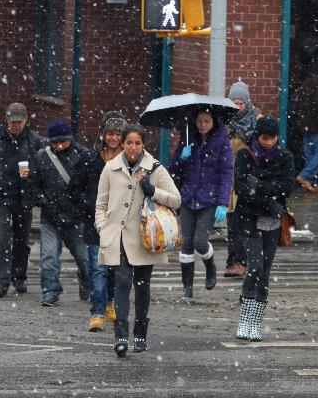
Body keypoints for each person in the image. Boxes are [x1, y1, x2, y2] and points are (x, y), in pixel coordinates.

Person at [96, 124, 181, 357]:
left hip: (145, 237)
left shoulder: (154, 168)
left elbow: (176, 200)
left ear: (143, 145)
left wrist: (152, 189)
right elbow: (100, 204)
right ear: (122, 144)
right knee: (122, 283)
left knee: (142, 286)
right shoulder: (110, 168)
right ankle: (121, 336)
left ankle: (140, 334)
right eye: (129, 143)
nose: (133, 148)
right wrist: (102, 227)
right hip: (119, 235)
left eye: (138, 143)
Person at [0, 103, 46, 297]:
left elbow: (43, 165)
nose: (15, 125)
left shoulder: (34, 140)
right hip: (0, 196)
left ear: (25, 120)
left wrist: (32, 178)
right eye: (12, 122)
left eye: (19, 122)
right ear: (7, 120)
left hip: (23, 197)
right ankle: (1, 283)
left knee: (22, 240)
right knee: (1, 240)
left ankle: (19, 277)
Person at [234, 115, 294, 341]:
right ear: (257, 136)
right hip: (249, 219)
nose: (268, 142)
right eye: (264, 138)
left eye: (272, 138)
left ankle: (256, 323)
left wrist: (259, 185)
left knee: (265, 272)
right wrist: (270, 198)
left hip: (273, 222)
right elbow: (241, 188)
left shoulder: (285, 157)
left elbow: (287, 187)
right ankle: (245, 319)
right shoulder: (244, 155)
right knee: (255, 267)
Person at [69, 112, 127, 332]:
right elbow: (74, 188)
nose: (113, 138)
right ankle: (97, 312)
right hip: (96, 223)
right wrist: (89, 204)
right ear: (103, 135)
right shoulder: (89, 159)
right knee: (98, 268)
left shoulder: (130, 160)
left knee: (114, 269)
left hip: (121, 223)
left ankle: (110, 302)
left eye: (117, 134)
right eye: (110, 133)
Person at [23, 120, 91, 306]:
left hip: (76, 217)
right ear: (49, 141)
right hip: (50, 217)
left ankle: (86, 281)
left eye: (63, 141)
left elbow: (90, 185)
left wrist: (82, 203)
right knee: (48, 257)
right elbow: (32, 185)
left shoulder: (83, 155)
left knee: (84, 258)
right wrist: (41, 198)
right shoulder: (41, 157)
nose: (59, 146)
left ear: (70, 139)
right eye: (55, 142)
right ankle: (50, 291)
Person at [168, 108, 233, 298]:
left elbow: (226, 173)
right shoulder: (187, 138)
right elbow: (172, 170)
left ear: (214, 122)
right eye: (199, 121)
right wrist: (181, 157)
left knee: (200, 241)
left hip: (209, 199)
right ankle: (187, 286)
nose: (202, 125)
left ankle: (210, 265)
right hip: (187, 197)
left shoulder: (223, 142)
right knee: (187, 243)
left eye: (206, 121)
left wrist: (223, 202)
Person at [224, 80, 258, 278]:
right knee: (232, 224)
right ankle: (233, 261)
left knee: (245, 223)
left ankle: (244, 261)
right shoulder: (224, 124)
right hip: (229, 180)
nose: (237, 107)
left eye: (241, 103)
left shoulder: (255, 122)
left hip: (247, 180)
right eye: (234, 103)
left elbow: (261, 150)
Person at [295, 62, 318, 192]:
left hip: (305, 127)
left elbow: (297, 106)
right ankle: (304, 175)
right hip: (317, 126)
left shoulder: (304, 86)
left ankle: (311, 181)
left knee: (310, 154)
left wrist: (302, 122)